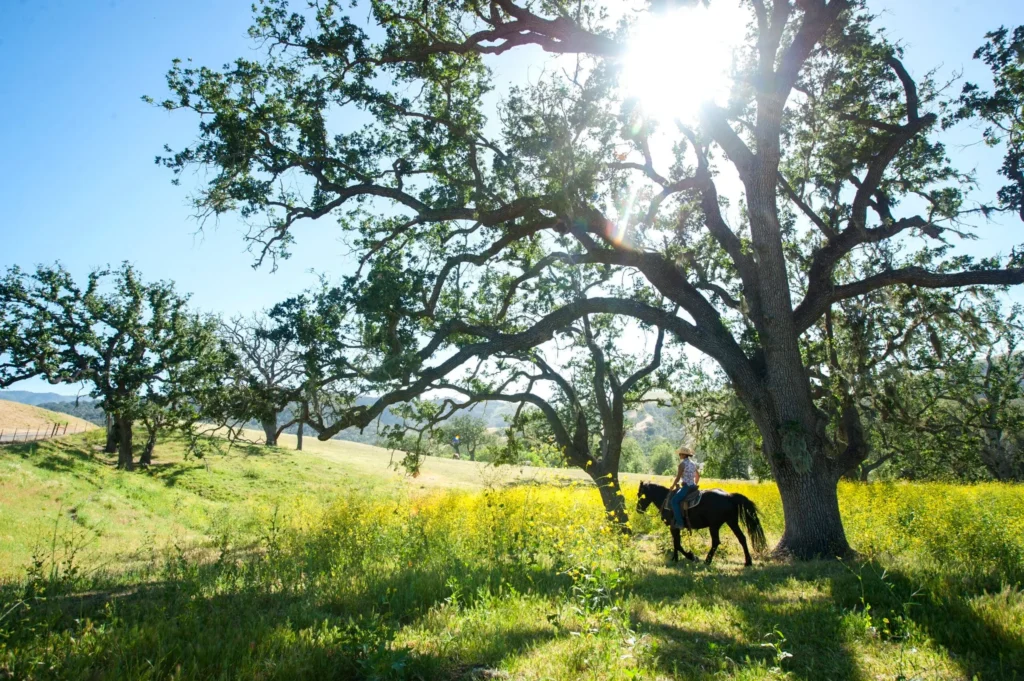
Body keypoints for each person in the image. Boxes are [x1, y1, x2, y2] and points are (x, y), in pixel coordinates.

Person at [669, 445, 700, 529]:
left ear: (684, 455)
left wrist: (672, 486)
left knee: (674, 501)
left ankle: (680, 523)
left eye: (680, 454)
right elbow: (698, 476)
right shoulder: (693, 464)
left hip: (686, 487)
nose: (679, 456)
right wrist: (695, 484)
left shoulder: (681, 465)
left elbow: (678, 477)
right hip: (693, 486)